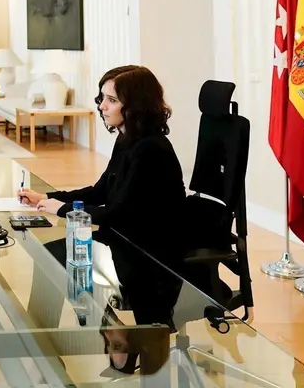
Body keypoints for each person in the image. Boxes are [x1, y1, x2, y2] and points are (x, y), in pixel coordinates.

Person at [17, 65, 188, 326]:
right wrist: (47, 197)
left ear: (135, 106)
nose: (102, 107)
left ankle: (99, 329)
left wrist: (60, 209)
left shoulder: (150, 149)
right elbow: (101, 191)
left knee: (60, 258)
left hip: (148, 251)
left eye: (111, 100)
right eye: (102, 99)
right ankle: (43, 331)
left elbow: (116, 213)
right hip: (126, 236)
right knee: (50, 255)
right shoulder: (128, 139)